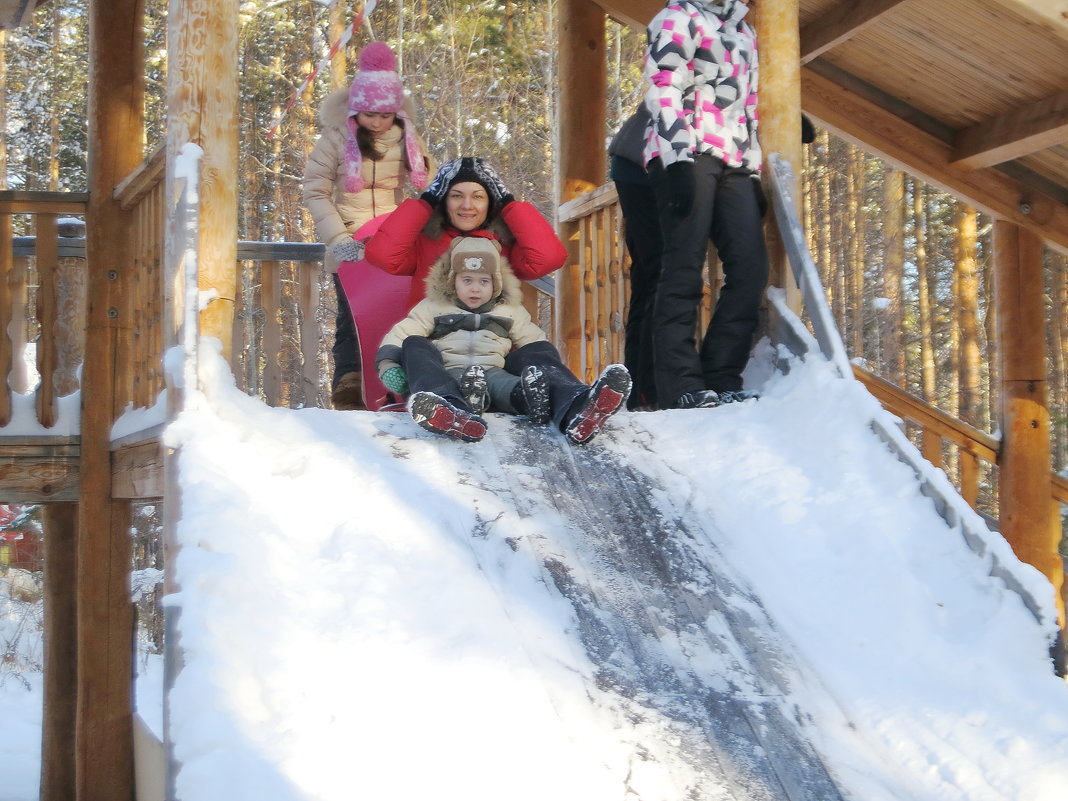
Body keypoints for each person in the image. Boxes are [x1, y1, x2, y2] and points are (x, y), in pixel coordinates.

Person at [375, 236, 632, 444]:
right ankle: (447, 410)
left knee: (535, 351)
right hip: (447, 376)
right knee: (414, 344)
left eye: (483, 281)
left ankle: (576, 406)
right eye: (467, 280)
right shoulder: (433, 306)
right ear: (453, 282)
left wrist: (539, 369)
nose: (475, 288)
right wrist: (389, 364)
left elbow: (537, 344)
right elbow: (402, 333)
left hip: (493, 375)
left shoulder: (509, 311)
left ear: (496, 284)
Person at [642, 0, 767, 410]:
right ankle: (681, 385)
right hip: (686, 152)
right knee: (683, 266)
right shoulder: (679, 16)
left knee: (750, 268)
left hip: (734, 159)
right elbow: (663, 85)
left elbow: (748, 104)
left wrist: (754, 166)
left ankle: (721, 375)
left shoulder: (745, 29)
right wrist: (676, 159)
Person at [302, 41, 434, 411]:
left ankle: (399, 382)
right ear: (356, 110)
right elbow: (314, 190)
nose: (376, 123)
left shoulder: (406, 137)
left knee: (396, 311)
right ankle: (349, 384)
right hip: (349, 236)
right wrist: (339, 238)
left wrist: (422, 161)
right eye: (369, 115)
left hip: (392, 238)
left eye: (384, 115)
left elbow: (430, 187)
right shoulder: (335, 139)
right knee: (351, 316)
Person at [364, 156, 567, 310]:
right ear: (443, 201)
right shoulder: (424, 241)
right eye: (456, 196)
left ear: (491, 203)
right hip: (431, 349)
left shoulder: (505, 244)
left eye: (478, 196)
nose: (467, 205)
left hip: (493, 351)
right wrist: (427, 200)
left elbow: (548, 259)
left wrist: (508, 202)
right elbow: (383, 256)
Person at [609, 104, 661, 410]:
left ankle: (640, 388)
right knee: (660, 273)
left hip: (639, 159)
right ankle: (646, 389)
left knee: (650, 275)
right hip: (643, 160)